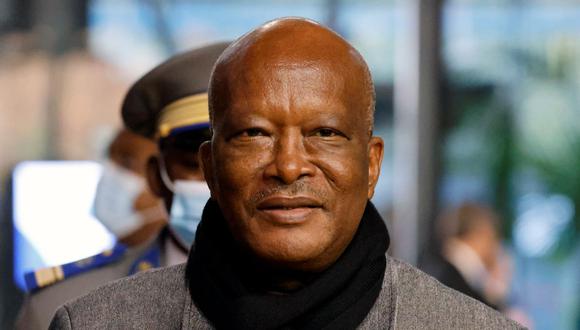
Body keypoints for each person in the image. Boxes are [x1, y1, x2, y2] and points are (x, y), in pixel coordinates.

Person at [49, 18, 524, 329]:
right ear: (209, 166)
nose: (289, 165)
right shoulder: (96, 323)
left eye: (325, 133)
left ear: (373, 164)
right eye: (254, 135)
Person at [18, 42, 228, 330]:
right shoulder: (66, 305)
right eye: (195, 163)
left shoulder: (307, 297)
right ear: (157, 176)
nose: (220, 181)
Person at [421, 202, 512, 310]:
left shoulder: (438, 267)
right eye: (494, 238)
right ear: (482, 234)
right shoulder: (460, 281)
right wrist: (496, 291)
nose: (496, 248)